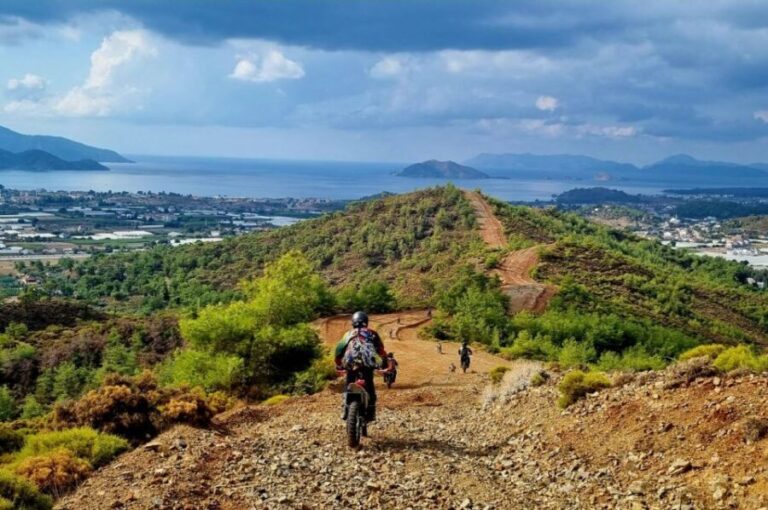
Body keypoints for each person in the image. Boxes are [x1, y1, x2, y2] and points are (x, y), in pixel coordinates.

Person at [335, 311, 388, 421]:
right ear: (366, 322)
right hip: (368, 363)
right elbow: (381, 350)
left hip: (350, 362)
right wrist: (384, 363)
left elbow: (339, 350)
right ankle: (371, 411)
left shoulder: (348, 334)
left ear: (353, 322)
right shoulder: (372, 333)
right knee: (369, 384)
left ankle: (345, 409)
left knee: (349, 383)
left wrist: (339, 364)